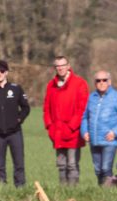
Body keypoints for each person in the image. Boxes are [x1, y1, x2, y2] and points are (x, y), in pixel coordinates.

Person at [0, 60, 30, 187]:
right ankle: (1, 189)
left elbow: (25, 108)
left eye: (2, 71)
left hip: (15, 133)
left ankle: (20, 188)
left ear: (6, 72)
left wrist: (19, 119)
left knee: (19, 163)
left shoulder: (16, 89)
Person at [43, 55, 89, 186]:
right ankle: (63, 192)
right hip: (57, 132)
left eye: (63, 65)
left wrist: (71, 126)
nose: (60, 68)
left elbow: (82, 108)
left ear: (68, 66)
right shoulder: (51, 85)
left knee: (72, 164)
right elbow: (46, 108)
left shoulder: (79, 83)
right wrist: (49, 126)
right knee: (61, 164)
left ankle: (73, 193)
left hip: (72, 132)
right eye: (58, 66)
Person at [81, 71, 117, 186]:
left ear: (109, 82)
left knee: (105, 168)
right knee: (98, 170)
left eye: (104, 80)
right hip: (94, 139)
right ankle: (103, 191)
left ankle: (108, 193)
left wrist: (115, 132)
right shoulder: (91, 97)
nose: (101, 83)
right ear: (95, 83)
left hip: (109, 140)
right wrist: (84, 132)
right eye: (98, 80)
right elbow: (85, 117)